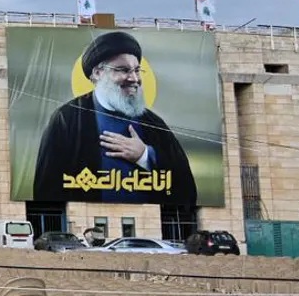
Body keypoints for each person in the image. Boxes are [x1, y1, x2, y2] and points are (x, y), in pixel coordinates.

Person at [31, 30, 198, 205]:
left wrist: (145, 155)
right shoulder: (67, 119)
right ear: (97, 73)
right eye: (123, 70)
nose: (134, 78)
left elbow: (186, 188)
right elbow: (46, 189)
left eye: (137, 70)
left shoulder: (153, 123)